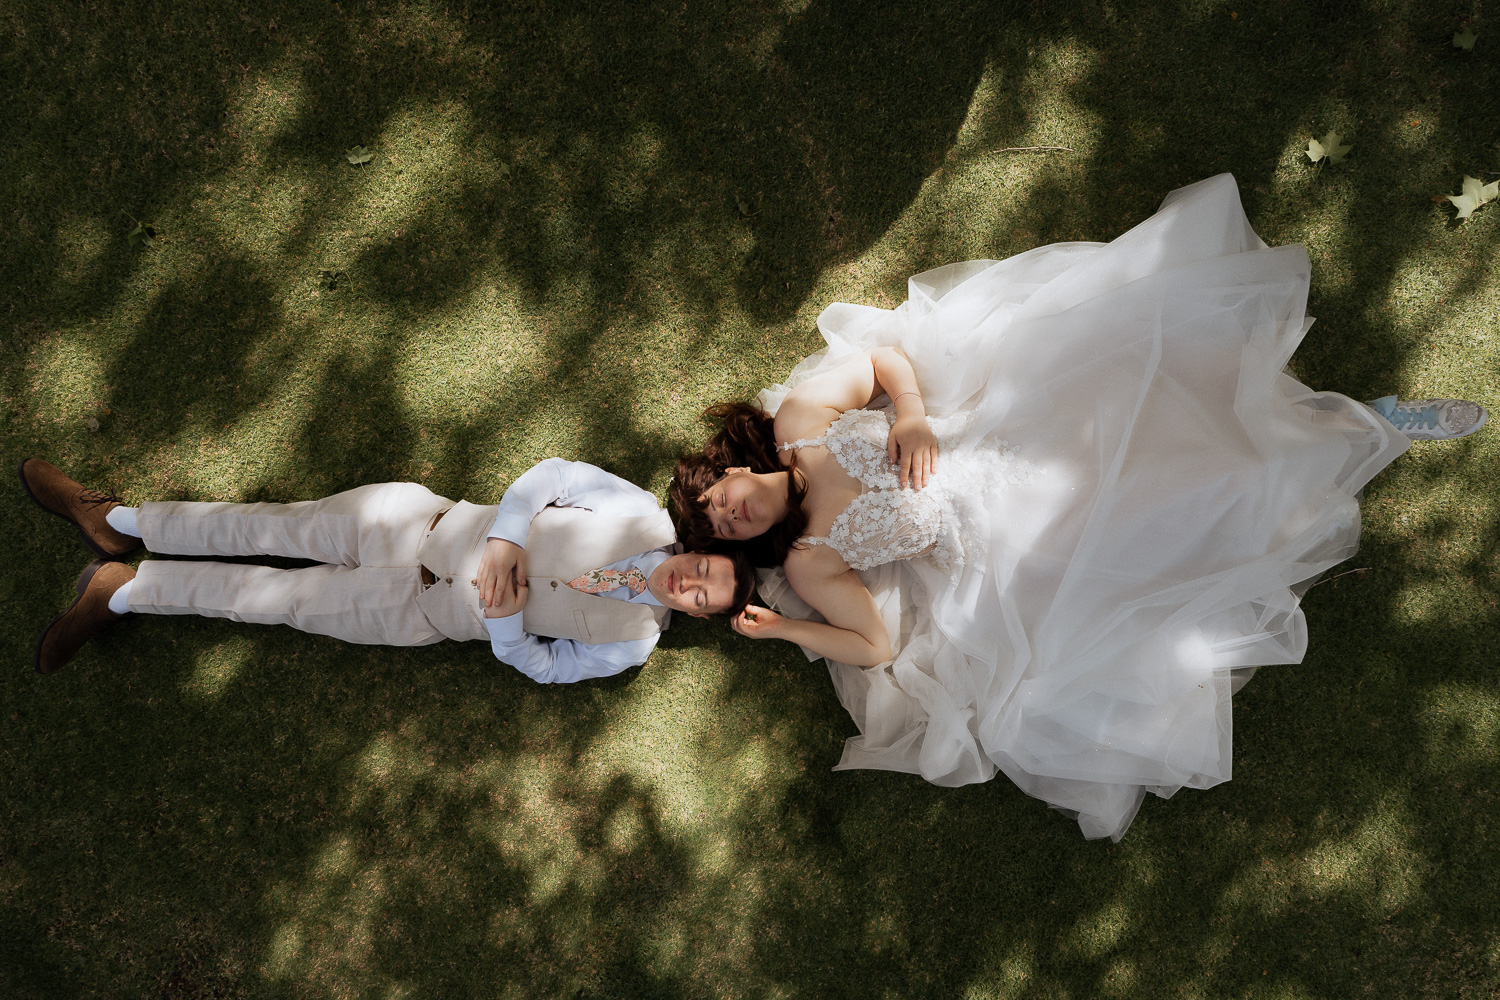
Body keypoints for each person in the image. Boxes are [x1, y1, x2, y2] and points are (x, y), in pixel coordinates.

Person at [671, 174, 1488, 841]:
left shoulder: (798, 426)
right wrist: (782, 627)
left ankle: (1364, 419)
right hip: (1008, 548)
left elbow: (884, 360)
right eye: (724, 531)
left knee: (1179, 420)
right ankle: (1351, 445)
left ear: (723, 476)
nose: (731, 516)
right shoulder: (812, 557)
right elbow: (875, 641)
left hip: (1014, 439)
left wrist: (912, 415)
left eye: (719, 504)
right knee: (1196, 506)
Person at [24, 457, 754, 682]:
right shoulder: (641, 517)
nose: (690, 583)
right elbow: (553, 476)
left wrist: (503, 627)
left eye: (702, 598)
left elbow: (549, 667)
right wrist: (505, 538)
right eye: (702, 568)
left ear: (695, 616)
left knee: (276, 600)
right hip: (419, 525)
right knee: (269, 524)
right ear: (693, 548)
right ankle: (117, 521)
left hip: (420, 616)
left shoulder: (633, 643)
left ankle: (126, 594)